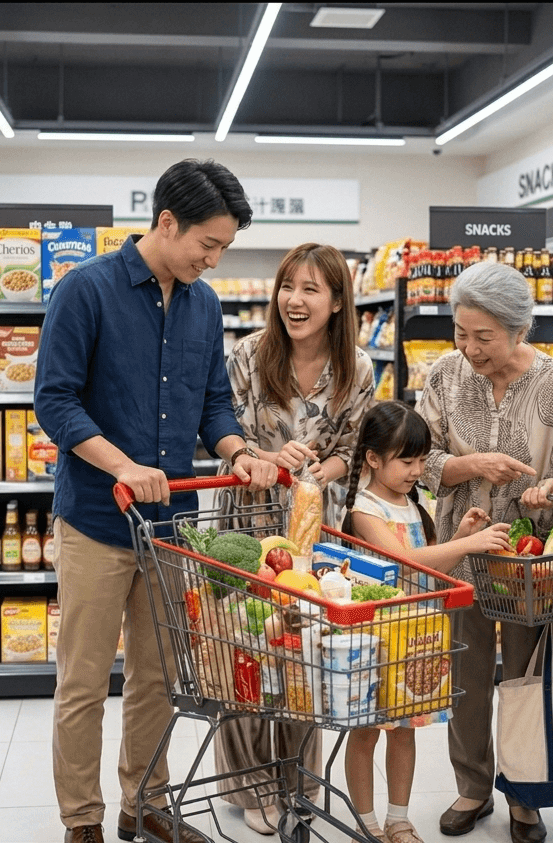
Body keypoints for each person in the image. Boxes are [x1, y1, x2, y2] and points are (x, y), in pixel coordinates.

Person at [34, 159, 280, 843]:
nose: (214, 257)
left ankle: (144, 802)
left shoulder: (205, 303)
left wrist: (239, 453)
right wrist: (122, 464)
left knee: (158, 678)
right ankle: (81, 820)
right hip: (94, 518)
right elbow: (54, 401)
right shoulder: (84, 291)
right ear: (166, 222)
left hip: (173, 527)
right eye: (209, 243)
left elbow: (213, 404)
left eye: (224, 247)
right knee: (83, 682)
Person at [416, 261, 553, 843]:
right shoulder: (442, 376)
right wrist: (474, 465)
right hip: (462, 553)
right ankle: (472, 787)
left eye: (482, 337)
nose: (468, 348)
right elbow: (418, 465)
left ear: (520, 331)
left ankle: (523, 794)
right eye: (460, 333)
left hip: (530, 567)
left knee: (525, 679)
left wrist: (550, 492)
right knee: (464, 677)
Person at [212, 243, 375, 834]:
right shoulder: (249, 357)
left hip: (314, 528)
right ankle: (252, 786)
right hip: (246, 524)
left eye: (311, 289)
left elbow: (352, 453)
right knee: (244, 650)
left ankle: (297, 782)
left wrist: (314, 473)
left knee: (303, 652)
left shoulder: (357, 368)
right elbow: (221, 429)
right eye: (288, 287)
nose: (295, 300)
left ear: (336, 302)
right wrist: (265, 457)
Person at [340, 400, 511, 843]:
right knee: (364, 733)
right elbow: (402, 562)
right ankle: (366, 822)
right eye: (407, 460)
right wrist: (470, 546)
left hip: (413, 638)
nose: (418, 470)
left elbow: (434, 571)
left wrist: (458, 537)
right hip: (372, 638)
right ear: (374, 459)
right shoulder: (365, 508)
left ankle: (399, 819)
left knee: (404, 731)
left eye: (421, 460)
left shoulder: (415, 505)